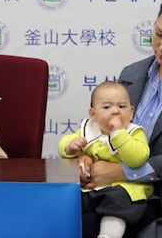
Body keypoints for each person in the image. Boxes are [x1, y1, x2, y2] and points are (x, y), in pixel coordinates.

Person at [80, 0, 162, 238]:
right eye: (158, 34)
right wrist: (89, 159)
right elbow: (105, 129)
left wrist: (123, 172)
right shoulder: (131, 74)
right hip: (108, 191)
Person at [59, 81, 153, 238]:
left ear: (131, 112)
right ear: (93, 114)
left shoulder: (133, 132)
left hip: (124, 187)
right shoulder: (88, 130)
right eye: (107, 107)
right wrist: (70, 146)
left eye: (122, 107)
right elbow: (62, 145)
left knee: (117, 202)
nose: (115, 112)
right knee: (71, 198)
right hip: (92, 188)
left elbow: (138, 158)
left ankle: (109, 235)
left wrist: (118, 135)